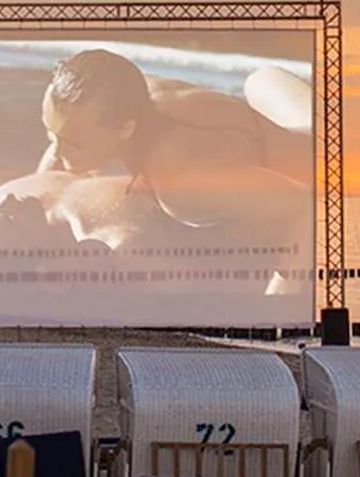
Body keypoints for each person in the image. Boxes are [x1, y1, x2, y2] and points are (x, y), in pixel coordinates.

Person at [37, 48, 313, 293]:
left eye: (73, 143)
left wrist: (277, 305)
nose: (56, 152)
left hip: (321, 155)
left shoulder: (181, 183)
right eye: (51, 133)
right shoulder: (124, 90)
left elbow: (307, 208)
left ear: (125, 129)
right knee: (260, 78)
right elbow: (56, 156)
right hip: (272, 118)